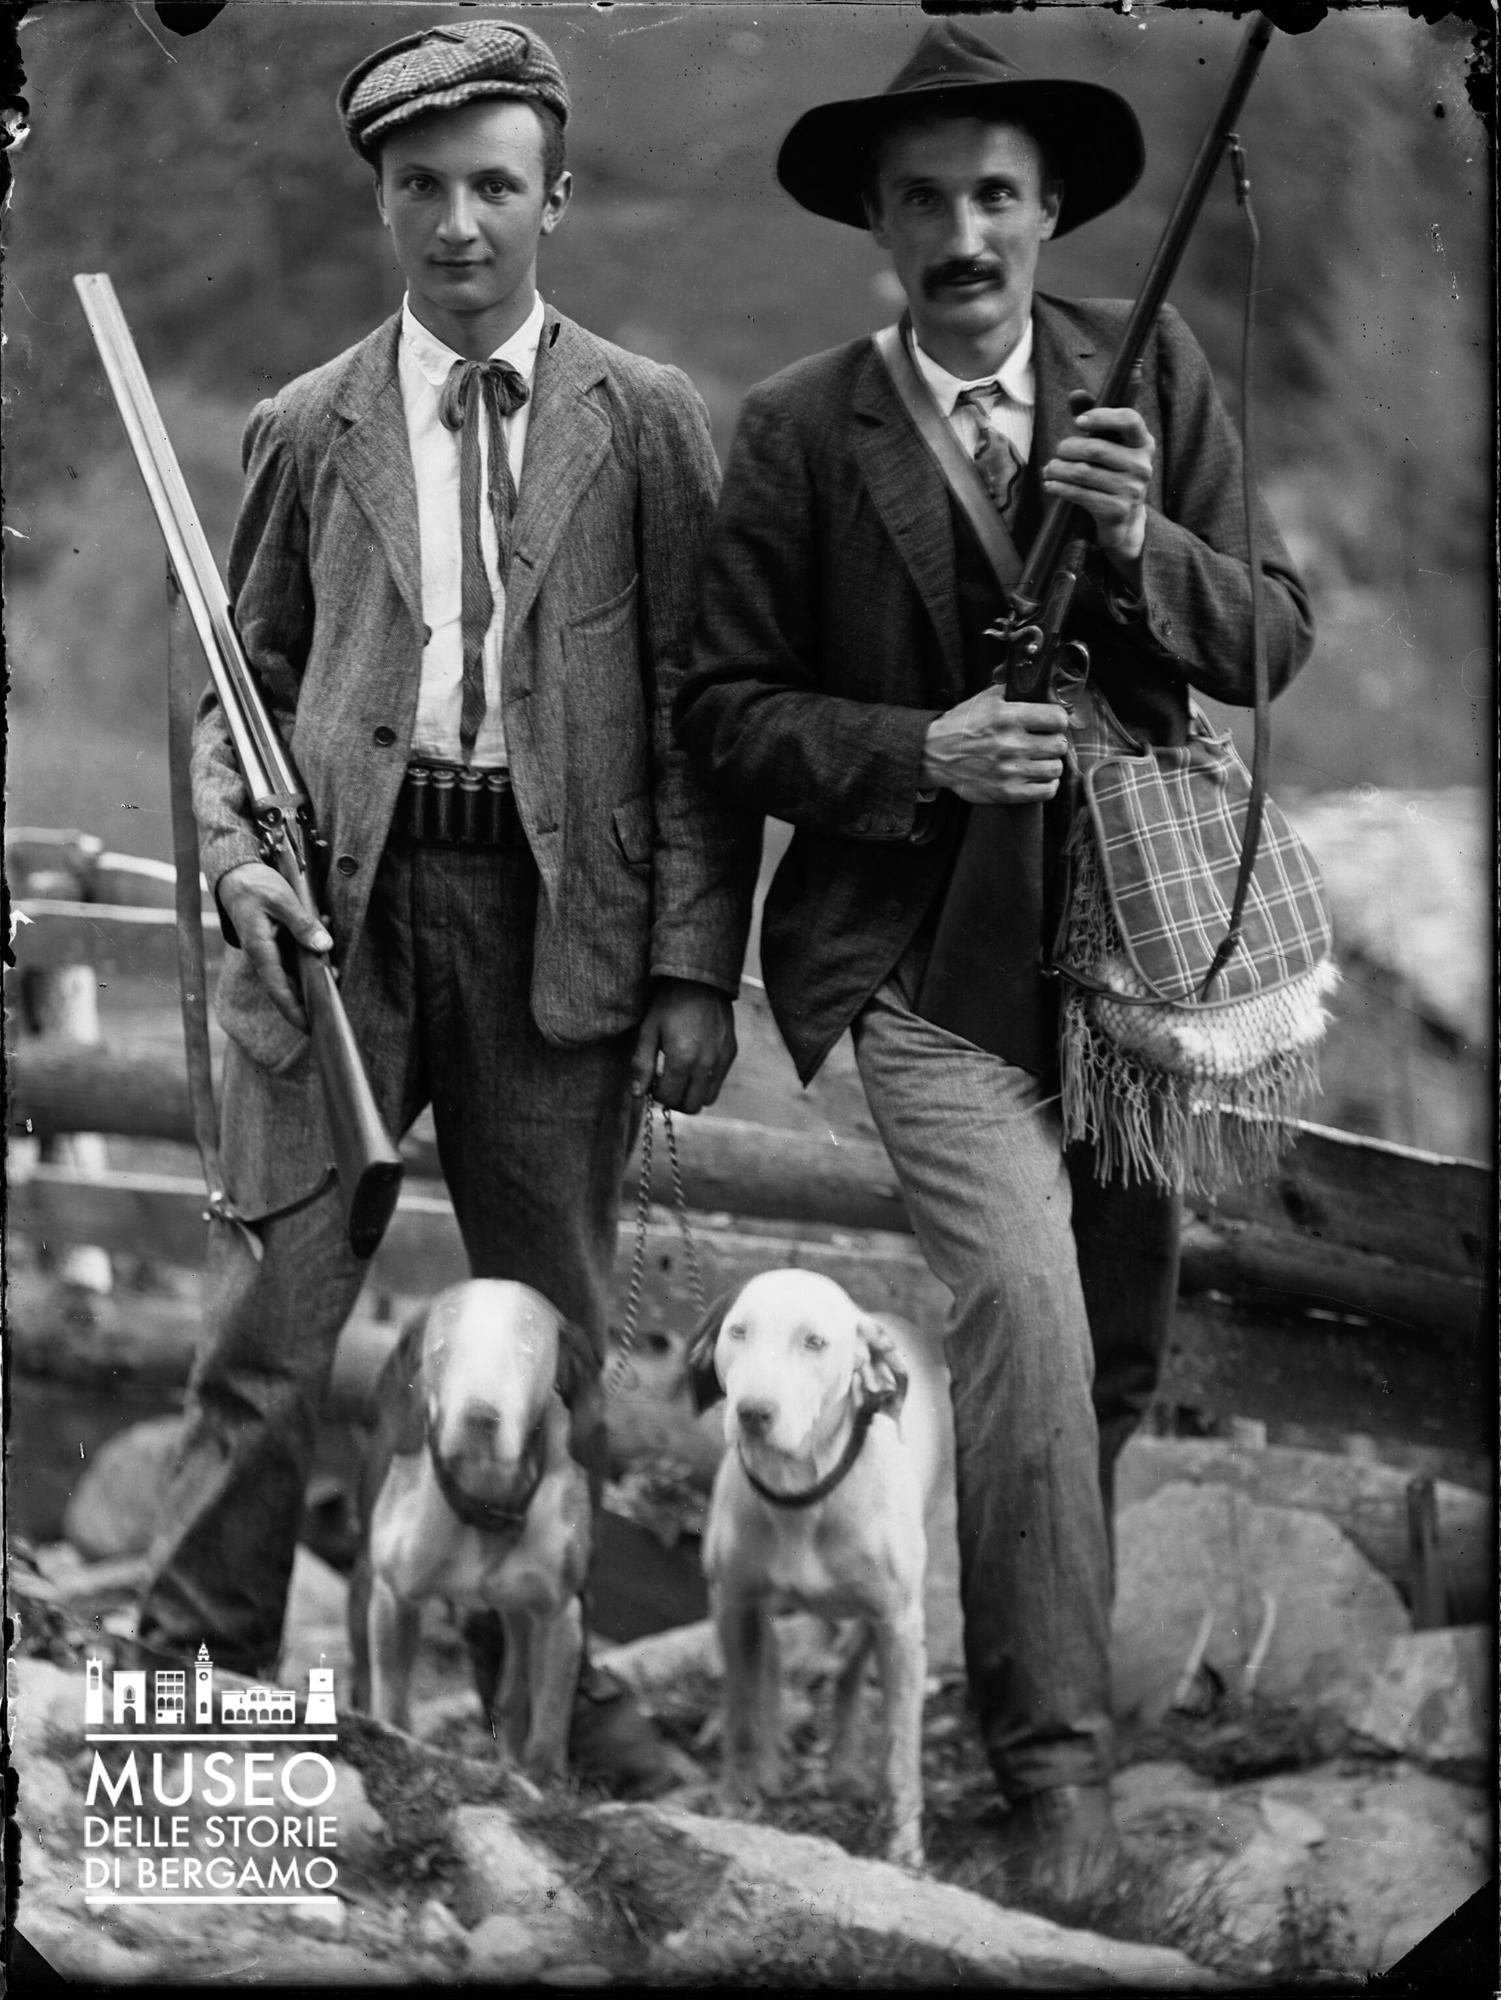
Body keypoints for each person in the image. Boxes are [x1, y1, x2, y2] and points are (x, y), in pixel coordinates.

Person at [676, 22, 1313, 1894]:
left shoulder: (1152, 370)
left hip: (1127, 970)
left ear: (1045, 213)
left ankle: (1004, 1697)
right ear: (876, 215)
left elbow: (1267, 638)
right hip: (912, 970)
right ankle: (1057, 1782)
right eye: (927, 199)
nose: (965, 234)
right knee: (1022, 1312)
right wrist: (916, 754)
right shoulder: (799, 429)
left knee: (1106, 1354)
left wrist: (1138, 541)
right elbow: (722, 706)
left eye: (997, 196)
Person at [135, 19, 758, 1796]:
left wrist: (693, 962)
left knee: (546, 1325)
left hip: (558, 930)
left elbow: (698, 721)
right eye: (423, 186)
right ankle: (200, 1705)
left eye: (496, 183)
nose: (459, 221)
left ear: (554, 196)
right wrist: (248, 859)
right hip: (338, 924)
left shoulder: (646, 426)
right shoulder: (308, 424)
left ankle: (541, 1710)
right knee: (272, 1326)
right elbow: (235, 692)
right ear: (380, 206)